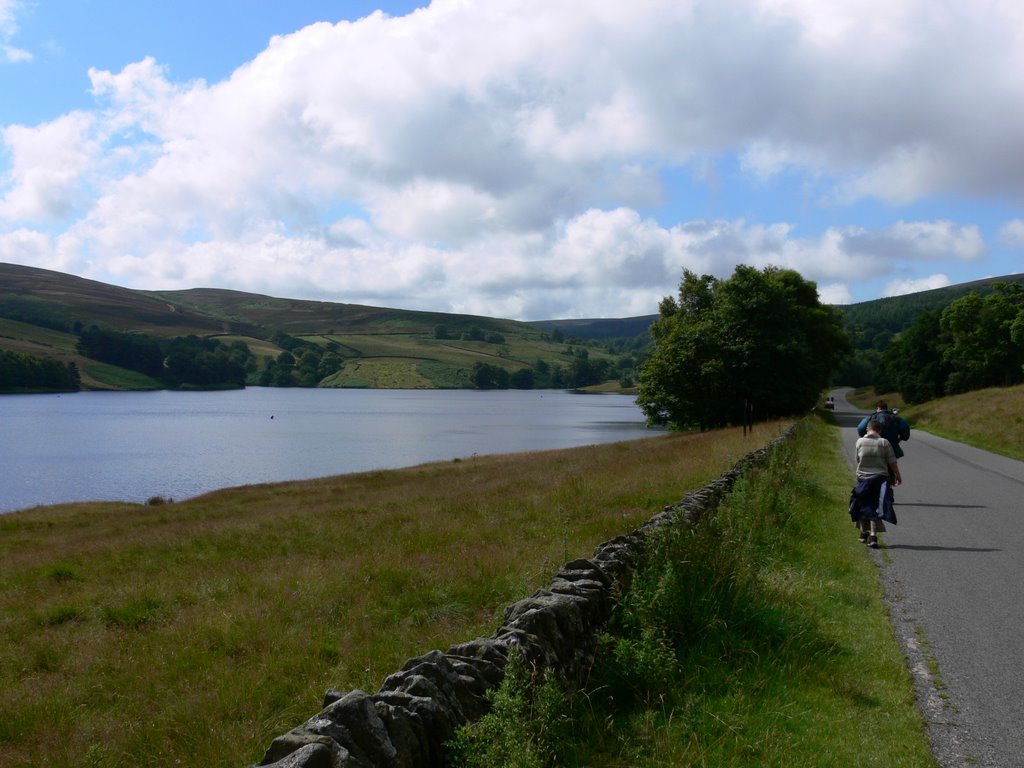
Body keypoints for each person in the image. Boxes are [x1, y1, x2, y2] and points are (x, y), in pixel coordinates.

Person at [850, 416, 902, 548]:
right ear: (880, 430)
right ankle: (873, 536)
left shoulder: (859, 441)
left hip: (863, 478)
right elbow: (892, 461)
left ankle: (863, 533)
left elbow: (857, 459)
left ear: (868, 429)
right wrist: (897, 475)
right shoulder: (884, 442)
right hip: (880, 479)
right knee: (876, 507)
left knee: (861, 504)